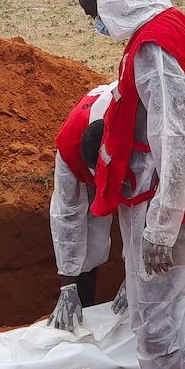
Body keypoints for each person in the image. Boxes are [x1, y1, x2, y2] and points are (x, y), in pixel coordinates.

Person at [76, 0, 185, 369]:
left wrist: (161, 227)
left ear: (111, 3)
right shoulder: (180, 26)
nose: (98, 25)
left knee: (156, 322)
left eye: (95, 14)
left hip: (165, 201)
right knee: (183, 307)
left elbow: (176, 133)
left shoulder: (152, 47)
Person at [46, 81, 118, 330]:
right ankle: (82, 303)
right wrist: (68, 287)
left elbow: (145, 209)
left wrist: (138, 278)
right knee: (87, 228)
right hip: (83, 144)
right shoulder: (68, 150)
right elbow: (66, 216)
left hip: (123, 150)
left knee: (108, 231)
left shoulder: (139, 134)